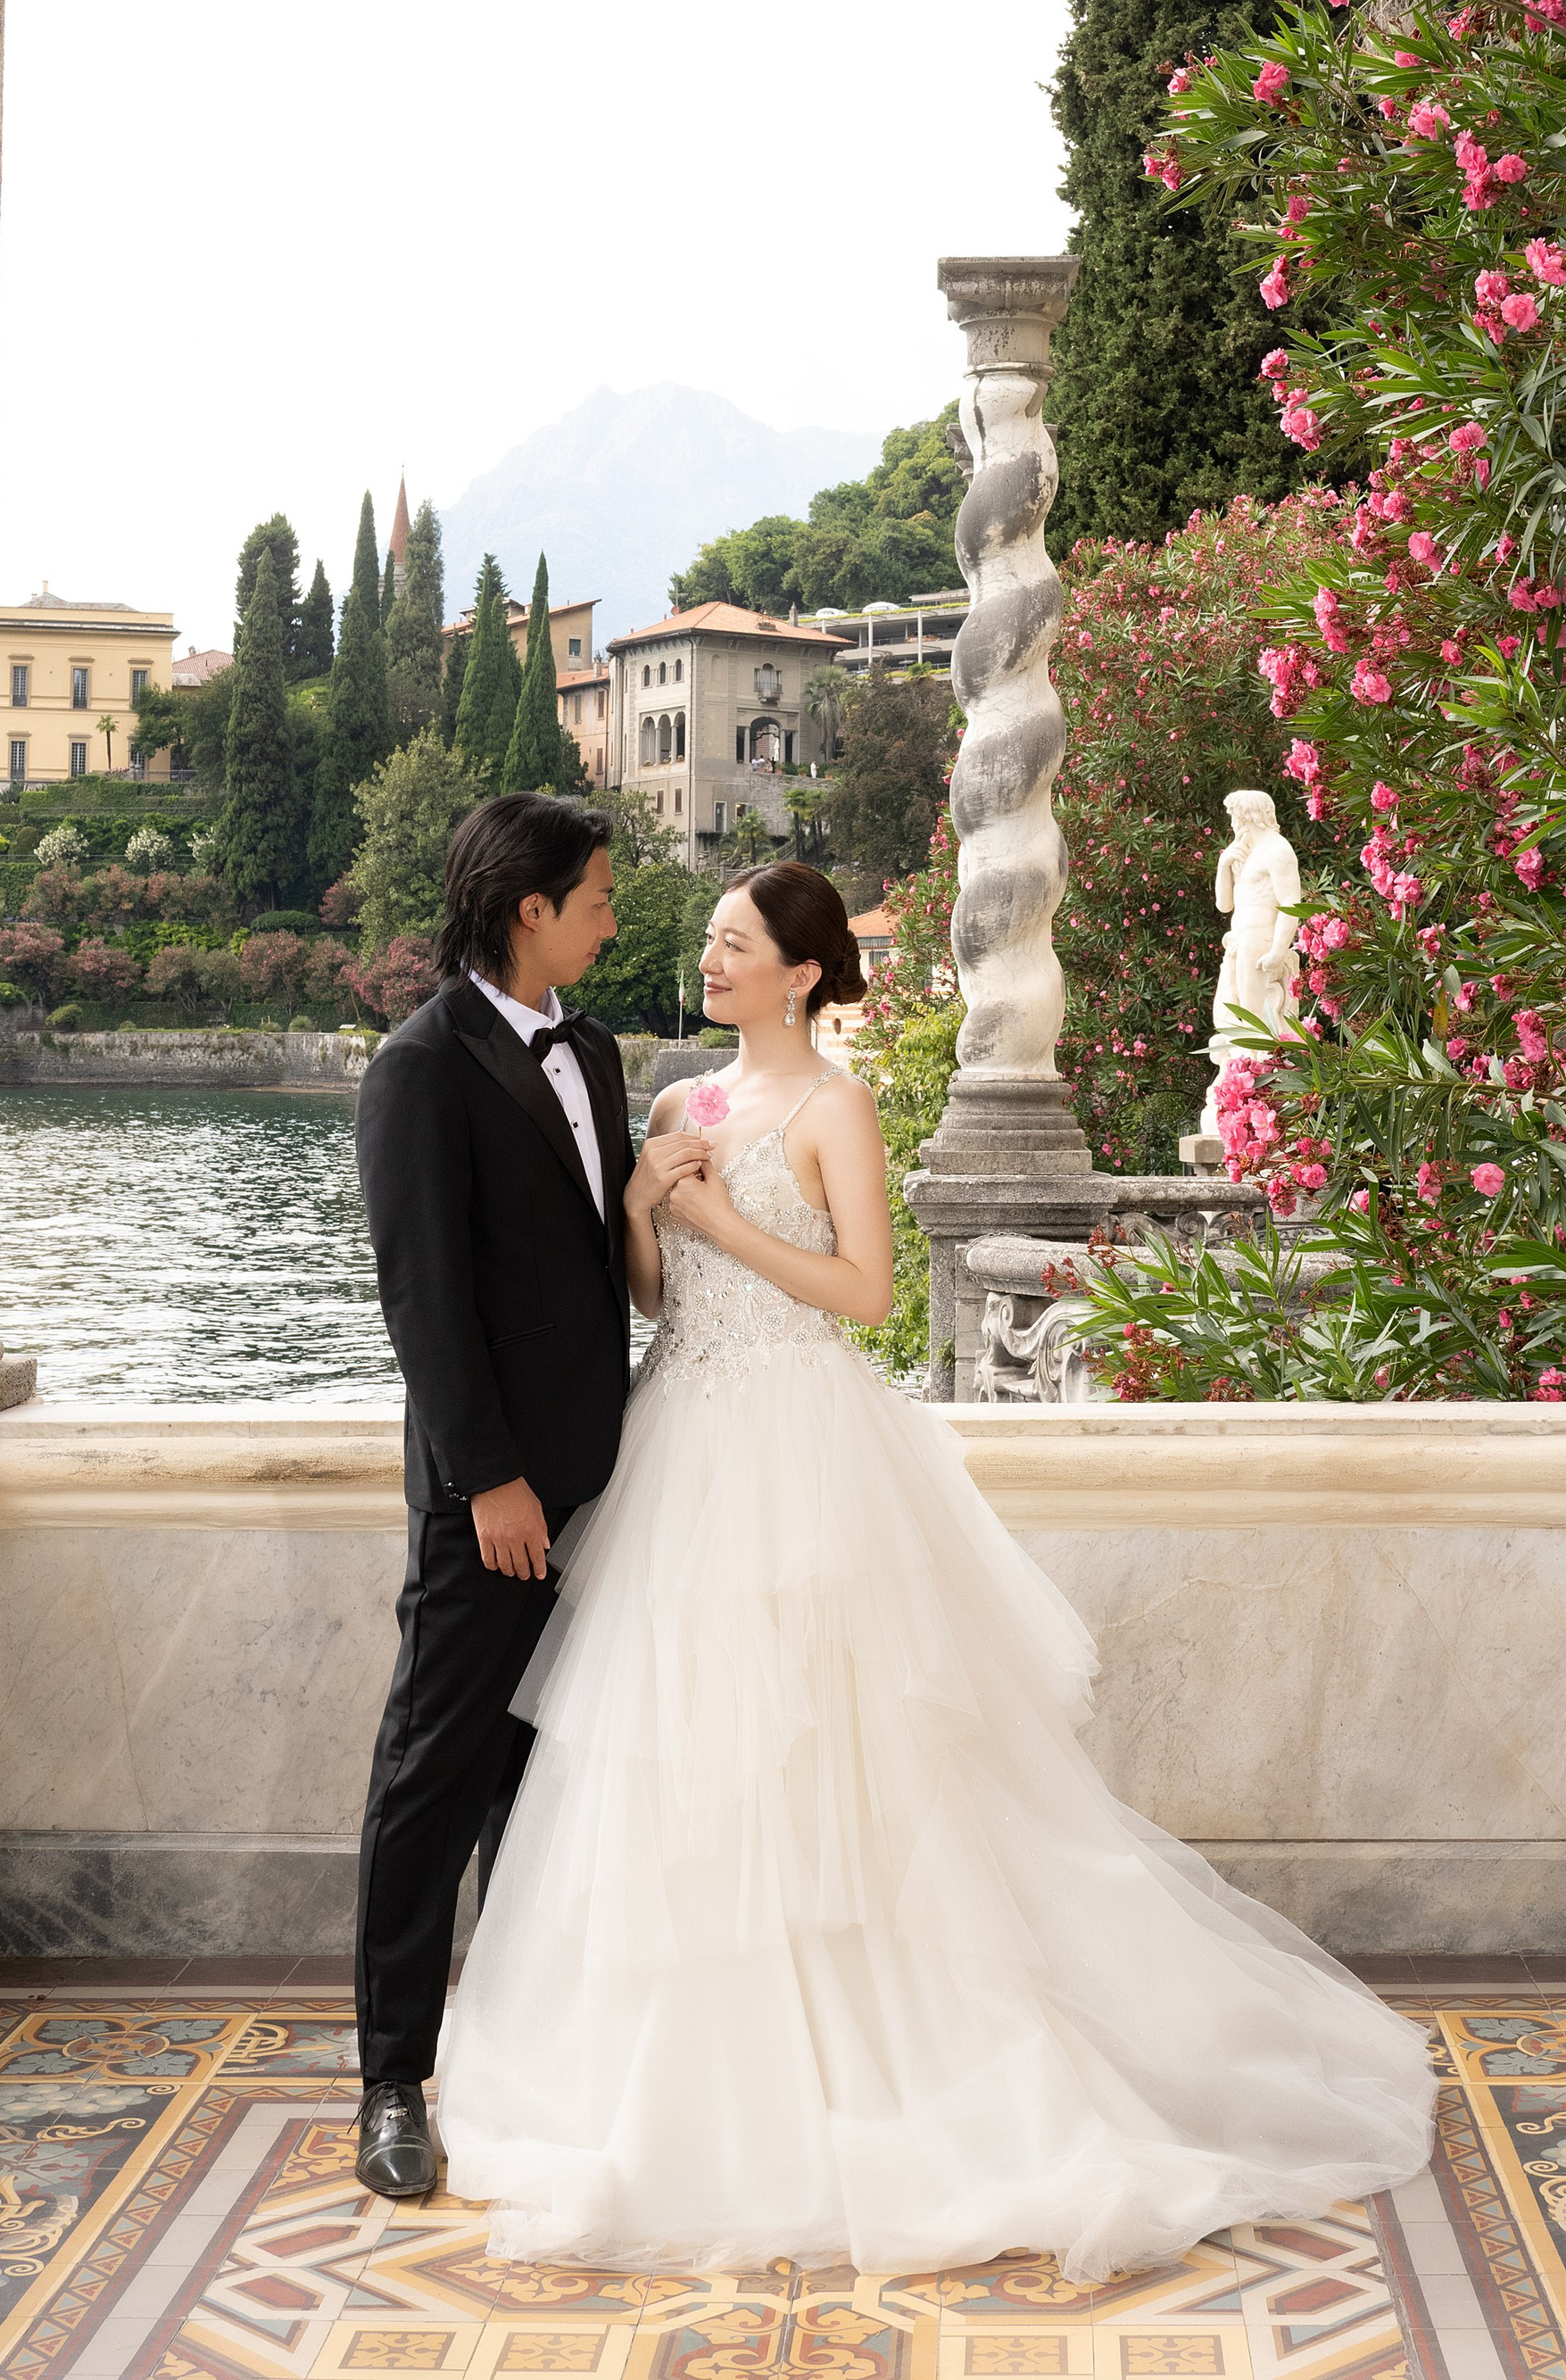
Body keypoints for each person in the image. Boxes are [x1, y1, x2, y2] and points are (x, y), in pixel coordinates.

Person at [434, 856, 1434, 2277]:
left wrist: (716, 1216)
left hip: (800, 1443)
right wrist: (652, 1216)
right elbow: (656, 1297)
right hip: (682, 1441)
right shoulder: (668, 1104)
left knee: (833, 1755)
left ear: (798, 971)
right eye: (708, 944)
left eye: (732, 945)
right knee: (682, 1757)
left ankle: (890, 2068)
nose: (708, 962)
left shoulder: (835, 1105)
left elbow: (868, 1295)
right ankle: (691, 2077)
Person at [352, 791, 631, 2202]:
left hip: (610, 1482)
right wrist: (494, 1482)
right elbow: (425, 1301)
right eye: (594, 896)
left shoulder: (600, 1049)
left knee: (551, 1770)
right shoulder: (419, 1065)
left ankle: (521, 2050)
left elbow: (609, 1250)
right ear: (531, 909)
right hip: (495, 1497)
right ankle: (392, 2080)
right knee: (436, 1770)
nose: (610, 918)